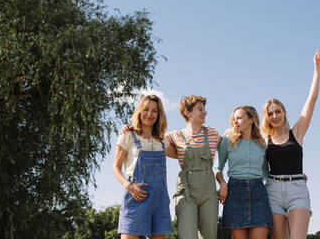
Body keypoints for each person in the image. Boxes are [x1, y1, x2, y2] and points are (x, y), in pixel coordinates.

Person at [262, 49, 320, 239]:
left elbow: (311, 101)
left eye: (277, 111)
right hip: (272, 190)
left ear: (284, 111)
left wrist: (317, 70)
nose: (274, 116)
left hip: (297, 189)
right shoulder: (264, 140)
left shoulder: (297, 132)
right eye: (270, 113)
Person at [113, 95, 173, 239]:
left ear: (159, 114)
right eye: (146, 109)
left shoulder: (163, 140)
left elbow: (183, 152)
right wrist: (129, 186)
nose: (150, 114)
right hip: (136, 197)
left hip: (160, 200)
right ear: (139, 111)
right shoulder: (128, 135)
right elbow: (116, 168)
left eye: (154, 111)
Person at [166, 95, 221, 239]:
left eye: (204, 109)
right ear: (187, 112)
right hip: (186, 191)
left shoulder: (213, 134)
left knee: (209, 236)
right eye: (200, 109)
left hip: (209, 192)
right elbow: (151, 137)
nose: (205, 112)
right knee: (187, 235)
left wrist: (258, 137)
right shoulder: (174, 136)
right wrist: (130, 129)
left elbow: (233, 142)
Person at [215, 106, 273, 239]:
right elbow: (217, 167)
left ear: (251, 119)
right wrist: (223, 184)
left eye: (239, 118)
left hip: (258, 193)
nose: (235, 122)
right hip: (234, 192)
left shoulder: (262, 144)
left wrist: (293, 175)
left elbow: (266, 173)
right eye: (234, 119)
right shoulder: (227, 141)